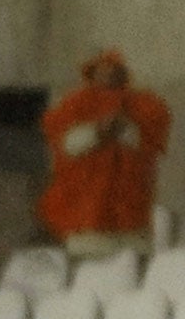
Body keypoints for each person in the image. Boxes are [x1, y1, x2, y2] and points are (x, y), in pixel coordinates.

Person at [36, 49, 171, 258]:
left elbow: (150, 141)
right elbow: (65, 144)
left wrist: (124, 130)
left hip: (129, 212)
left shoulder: (144, 104)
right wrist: (97, 132)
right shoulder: (74, 104)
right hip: (88, 212)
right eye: (102, 70)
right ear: (91, 73)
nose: (108, 75)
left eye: (114, 70)